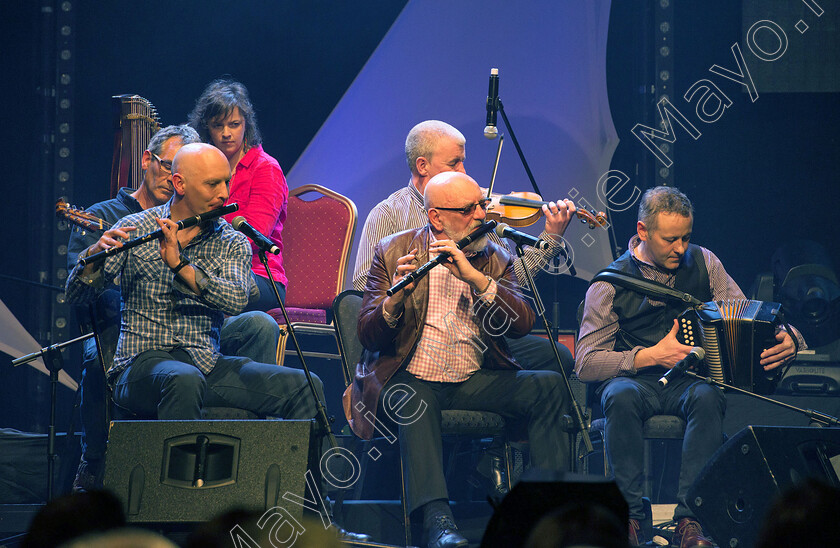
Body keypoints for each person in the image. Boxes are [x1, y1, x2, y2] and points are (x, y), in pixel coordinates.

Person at [353, 120, 578, 491]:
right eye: (455, 163)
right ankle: (447, 502)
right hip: (411, 346)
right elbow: (363, 295)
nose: (481, 212)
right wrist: (399, 295)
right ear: (435, 215)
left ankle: (542, 499)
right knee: (414, 392)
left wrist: (546, 241)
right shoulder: (391, 226)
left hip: (472, 340)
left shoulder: (484, 245)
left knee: (553, 364)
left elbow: (511, 285)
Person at [575, 186, 804, 548]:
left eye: (685, 237)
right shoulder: (608, 284)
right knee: (618, 395)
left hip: (690, 382)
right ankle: (631, 517)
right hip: (635, 382)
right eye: (670, 239)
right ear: (642, 231)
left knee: (709, 396)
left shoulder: (705, 262)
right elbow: (585, 363)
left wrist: (791, 336)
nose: (680, 248)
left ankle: (691, 519)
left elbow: (748, 316)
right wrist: (650, 355)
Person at [66, 125, 281, 492]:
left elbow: (233, 294)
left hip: (198, 329)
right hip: (128, 328)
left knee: (259, 324)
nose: (170, 177)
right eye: (166, 167)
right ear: (149, 162)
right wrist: (96, 257)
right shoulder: (116, 215)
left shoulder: (215, 225)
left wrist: (187, 268)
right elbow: (84, 294)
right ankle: (98, 458)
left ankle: (245, 451)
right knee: (99, 350)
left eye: (177, 170)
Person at [189, 79, 287, 310]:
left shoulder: (266, 169)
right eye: (217, 125)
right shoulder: (199, 169)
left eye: (234, 124)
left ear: (246, 124)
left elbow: (253, 235)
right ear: (206, 128)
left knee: (195, 286)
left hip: (259, 276)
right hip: (210, 268)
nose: (226, 134)